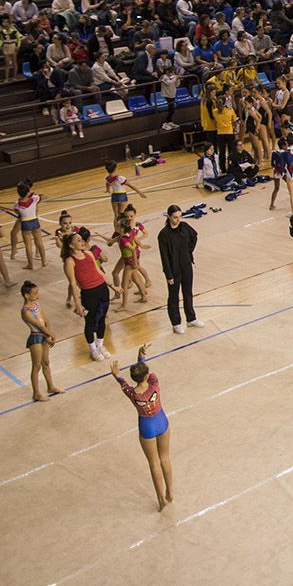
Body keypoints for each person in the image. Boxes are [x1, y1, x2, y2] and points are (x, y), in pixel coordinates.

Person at [109, 344, 173, 512]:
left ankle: (161, 498)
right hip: (161, 421)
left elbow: (123, 383)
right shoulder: (154, 383)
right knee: (165, 458)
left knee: (154, 463)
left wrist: (117, 375)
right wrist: (141, 356)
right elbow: (147, 371)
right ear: (146, 376)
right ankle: (170, 492)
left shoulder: (132, 393)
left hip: (147, 426)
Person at [63, 228, 114, 360]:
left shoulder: (89, 254)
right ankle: (93, 349)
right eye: (78, 240)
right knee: (90, 322)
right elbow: (73, 284)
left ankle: (101, 345)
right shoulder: (70, 261)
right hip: (88, 293)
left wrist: (113, 286)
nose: (82, 242)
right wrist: (78, 303)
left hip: (102, 289)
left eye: (81, 240)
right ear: (71, 245)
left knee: (102, 318)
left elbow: (100, 272)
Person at [157, 205, 201, 336]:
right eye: (175, 217)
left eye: (179, 217)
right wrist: (169, 275)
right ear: (169, 217)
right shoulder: (164, 235)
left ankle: (191, 318)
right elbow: (164, 256)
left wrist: (189, 251)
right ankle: (176, 323)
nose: (178, 220)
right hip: (174, 269)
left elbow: (194, 237)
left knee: (188, 292)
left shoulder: (184, 227)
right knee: (174, 296)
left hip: (186, 265)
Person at [19, 281, 62, 401]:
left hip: (44, 336)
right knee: (36, 366)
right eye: (35, 293)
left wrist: (49, 335)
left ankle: (51, 386)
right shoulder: (26, 311)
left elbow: (46, 321)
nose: (37, 295)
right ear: (26, 295)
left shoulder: (37, 305)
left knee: (46, 362)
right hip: (36, 338)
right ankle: (36, 393)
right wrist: (52, 335)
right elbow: (39, 325)